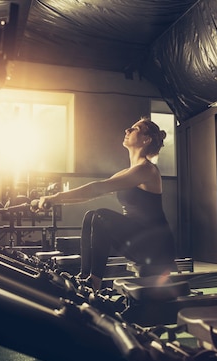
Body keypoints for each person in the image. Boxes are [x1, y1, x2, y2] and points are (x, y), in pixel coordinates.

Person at [35, 116, 176, 291]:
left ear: (146, 140)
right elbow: (90, 195)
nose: (127, 130)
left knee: (101, 216)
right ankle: (85, 277)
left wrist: (55, 197)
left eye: (135, 129)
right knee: (90, 216)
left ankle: (94, 283)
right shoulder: (129, 172)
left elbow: (98, 188)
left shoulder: (146, 170)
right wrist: (53, 201)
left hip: (156, 245)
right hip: (138, 237)